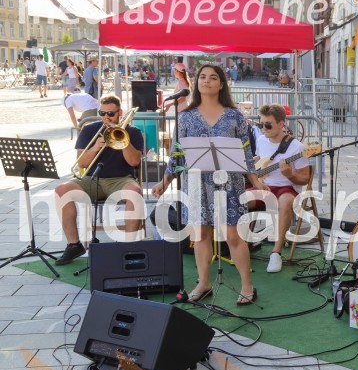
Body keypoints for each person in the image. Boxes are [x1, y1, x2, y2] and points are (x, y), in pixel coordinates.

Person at [151, 64, 260, 305]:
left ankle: (247, 286)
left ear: (222, 84)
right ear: (196, 82)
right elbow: (176, 155)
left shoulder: (235, 116)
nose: (207, 81)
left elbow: (246, 153)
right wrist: (164, 181)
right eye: (202, 77)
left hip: (229, 183)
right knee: (200, 235)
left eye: (213, 77)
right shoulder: (186, 116)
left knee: (233, 235)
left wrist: (256, 181)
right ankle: (204, 282)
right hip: (196, 183)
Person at [53, 94, 145, 265]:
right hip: (92, 178)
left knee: (135, 192)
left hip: (120, 179)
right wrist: (96, 147)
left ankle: (130, 246)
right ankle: (74, 245)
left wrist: (123, 138)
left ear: (120, 113)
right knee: (61, 190)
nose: (106, 117)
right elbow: (81, 163)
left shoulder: (133, 132)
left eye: (111, 114)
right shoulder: (89, 130)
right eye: (102, 113)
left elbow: (134, 161)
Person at [252, 105, 310, 273]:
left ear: (281, 124)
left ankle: (276, 252)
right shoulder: (262, 139)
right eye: (261, 124)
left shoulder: (296, 148)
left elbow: (304, 178)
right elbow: (259, 158)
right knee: (239, 198)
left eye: (268, 125)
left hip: (286, 187)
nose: (263, 128)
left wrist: (290, 174)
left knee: (285, 203)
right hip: (263, 186)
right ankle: (242, 243)